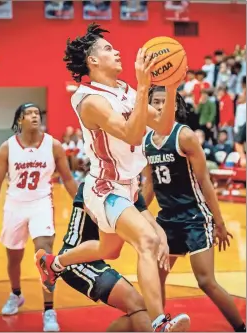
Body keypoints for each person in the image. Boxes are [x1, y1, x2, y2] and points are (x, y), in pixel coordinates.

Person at [35, 23, 189, 331]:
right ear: (92, 61)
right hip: (106, 189)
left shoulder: (125, 92)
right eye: (108, 48)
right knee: (147, 240)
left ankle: (54, 263)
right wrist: (145, 86)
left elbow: (162, 125)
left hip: (127, 189)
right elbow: (132, 133)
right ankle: (159, 322)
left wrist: (170, 87)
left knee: (109, 249)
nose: (116, 51)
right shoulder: (90, 100)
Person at [141, 86, 246, 333]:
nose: (158, 106)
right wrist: (136, 215)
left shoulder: (184, 136)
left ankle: (240, 327)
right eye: (154, 101)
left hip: (195, 217)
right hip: (167, 220)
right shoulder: (146, 142)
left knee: (205, 281)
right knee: (156, 278)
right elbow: (150, 187)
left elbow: (205, 181)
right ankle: (161, 326)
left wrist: (218, 222)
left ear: (174, 106)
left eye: (163, 102)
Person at [0, 103, 78, 331]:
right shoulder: (7, 148)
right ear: (19, 120)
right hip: (14, 206)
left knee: (45, 257)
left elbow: (67, 178)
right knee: (13, 259)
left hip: (41, 204)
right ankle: (16, 293)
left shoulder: (53, 145)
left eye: (37, 113)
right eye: (29, 113)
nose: (35, 116)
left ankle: (49, 311)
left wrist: (83, 204)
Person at [58, 182, 188, 332]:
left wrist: (163, 240)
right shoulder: (92, 184)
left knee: (141, 308)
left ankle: (158, 326)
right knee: (138, 305)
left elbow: (150, 221)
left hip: (94, 260)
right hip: (75, 260)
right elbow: (100, 219)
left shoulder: (130, 188)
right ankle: (160, 328)